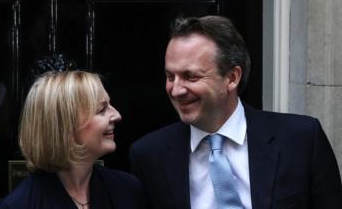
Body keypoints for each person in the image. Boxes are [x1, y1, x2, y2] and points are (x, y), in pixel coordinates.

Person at [129, 15, 342, 209]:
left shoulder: (301, 140)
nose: (176, 90)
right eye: (170, 77)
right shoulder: (149, 156)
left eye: (191, 77)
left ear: (232, 78)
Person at [0, 70, 147, 209]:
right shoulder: (18, 205)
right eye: (101, 110)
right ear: (64, 126)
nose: (117, 115)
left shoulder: (127, 190)